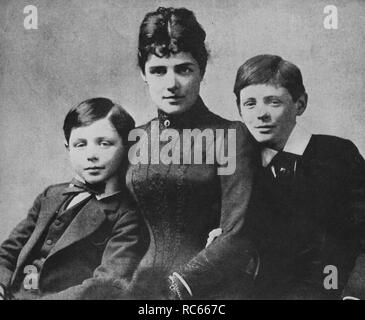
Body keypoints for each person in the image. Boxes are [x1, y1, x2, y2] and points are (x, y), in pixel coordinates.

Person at [126, 7, 259, 299]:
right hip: (140, 289)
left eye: (184, 69)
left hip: (209, 290)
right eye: (158, 70)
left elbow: (238, 236)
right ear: (143, 74)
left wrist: (174, 289)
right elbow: (122, 229)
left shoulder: (231, 136)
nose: (171, 84)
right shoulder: (136, 138)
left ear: (202, 69)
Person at [233, 54, 365, 299]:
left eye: (273, 102)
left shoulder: (337, 155)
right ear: (239, 110)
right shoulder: (242, 166)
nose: (261, 114)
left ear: (300, 104)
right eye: (250, 103)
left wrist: (355, 293)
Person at [0, 97, 148, 300]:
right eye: (80, 145)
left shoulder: (127, 215)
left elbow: (106, 285)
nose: (91, 155)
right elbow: (9, 252)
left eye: (104, 143)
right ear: (67, 147)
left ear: (127, 147)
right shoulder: (50, 195)